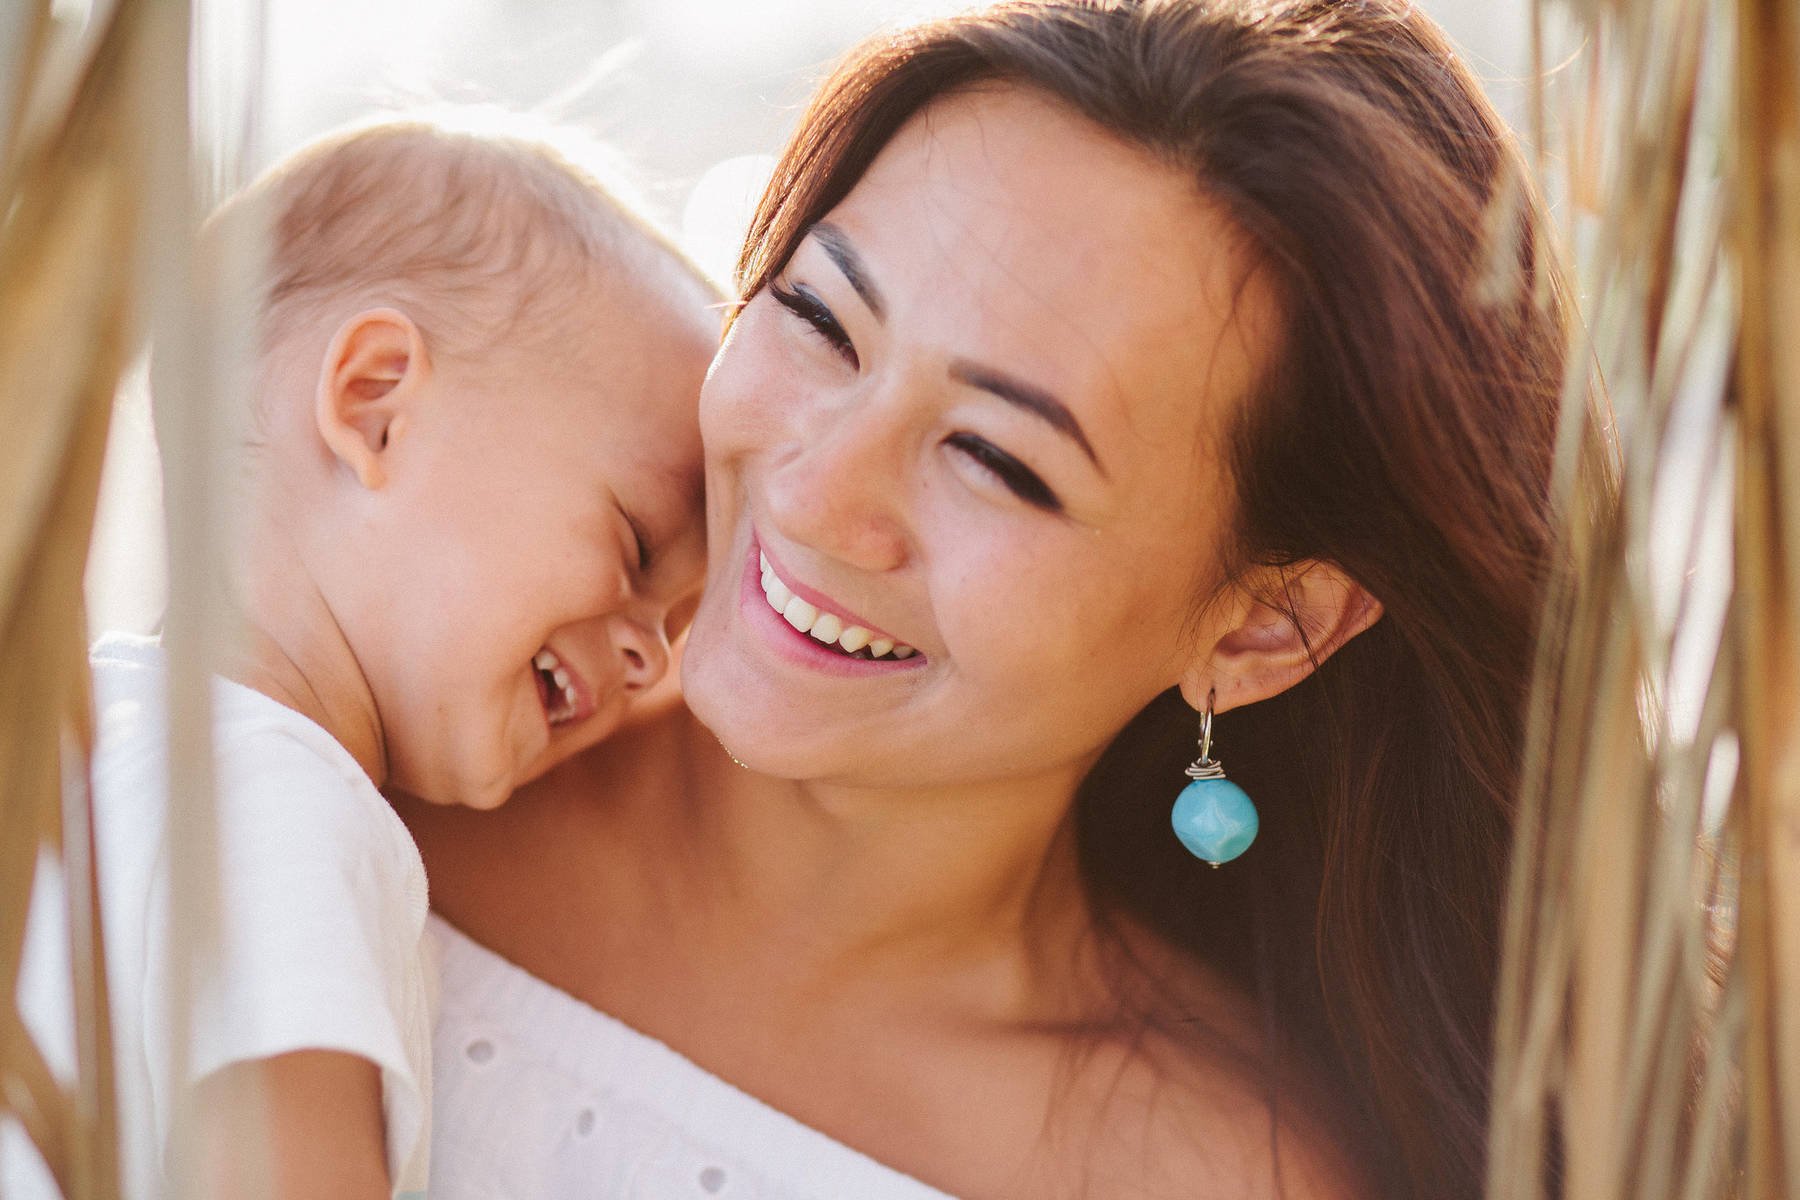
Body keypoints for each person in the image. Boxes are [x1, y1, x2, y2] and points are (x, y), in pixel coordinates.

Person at [398, 2, 1569, 1197]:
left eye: (996, 460)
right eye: (818, 321)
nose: (810, 492)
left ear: (1269, 627)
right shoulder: (370, 746)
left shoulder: (1222, 1176)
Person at [20, 119, 719, 1200]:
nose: (646, 656)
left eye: (674, 625)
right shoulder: (280, 809)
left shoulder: (80, 739)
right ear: (376, 403)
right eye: (632, 543)